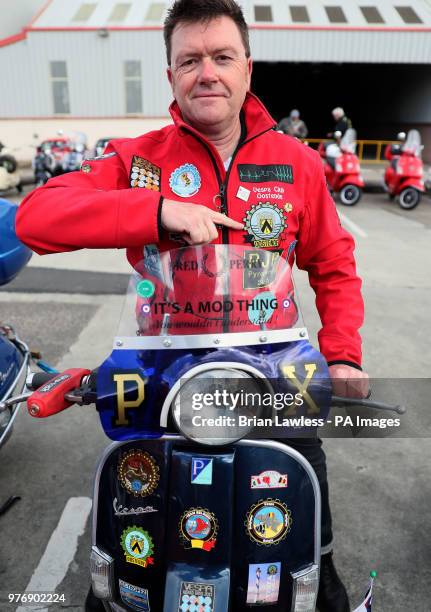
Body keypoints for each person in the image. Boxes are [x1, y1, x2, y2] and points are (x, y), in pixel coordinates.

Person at [16, 1, 369, 610]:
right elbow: (36, 217)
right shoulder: (137, 160)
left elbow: (334, 266)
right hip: (161, 372)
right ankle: (118, 587)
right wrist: (152, 211)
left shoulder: (300, 164)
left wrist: (342, 356)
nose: (207, 72)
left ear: (247, 69)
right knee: (137, 517)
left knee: (304, 487)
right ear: (172, 75)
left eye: (222, 57)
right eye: (190, 60)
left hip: (270, 368)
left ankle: (323, 562)